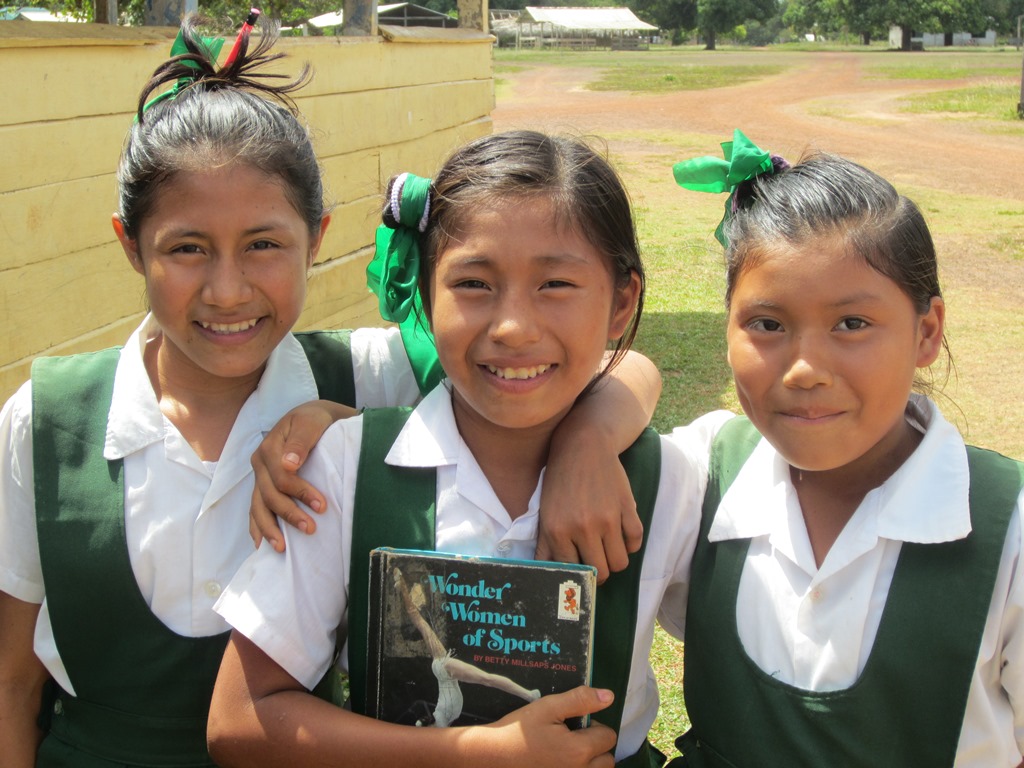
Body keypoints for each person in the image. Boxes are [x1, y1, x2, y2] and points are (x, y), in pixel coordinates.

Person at [0, 17, 663, 767]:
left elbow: (619, 370)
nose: (227, 289)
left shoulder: (369, 372)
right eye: (187, 248)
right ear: (129, 243)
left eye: (264, 244)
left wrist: (587, 440)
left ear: (316, 237)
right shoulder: (46, 421)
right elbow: (12, 682)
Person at [207, 130, 712, 768]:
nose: (513, 326)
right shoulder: (343, 470)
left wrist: (589, 441)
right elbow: (239, 721)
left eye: (555, 284)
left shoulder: (674, 481)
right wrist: (473, 753)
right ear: (423, 293)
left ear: (622, 302)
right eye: (474, 283)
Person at [667, 130, 1024, 767]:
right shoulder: (702, 474)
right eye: (767, 324)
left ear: (926, 331)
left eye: (852, 324)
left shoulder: (1008, 531)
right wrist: (594, 431)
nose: (805, 369)